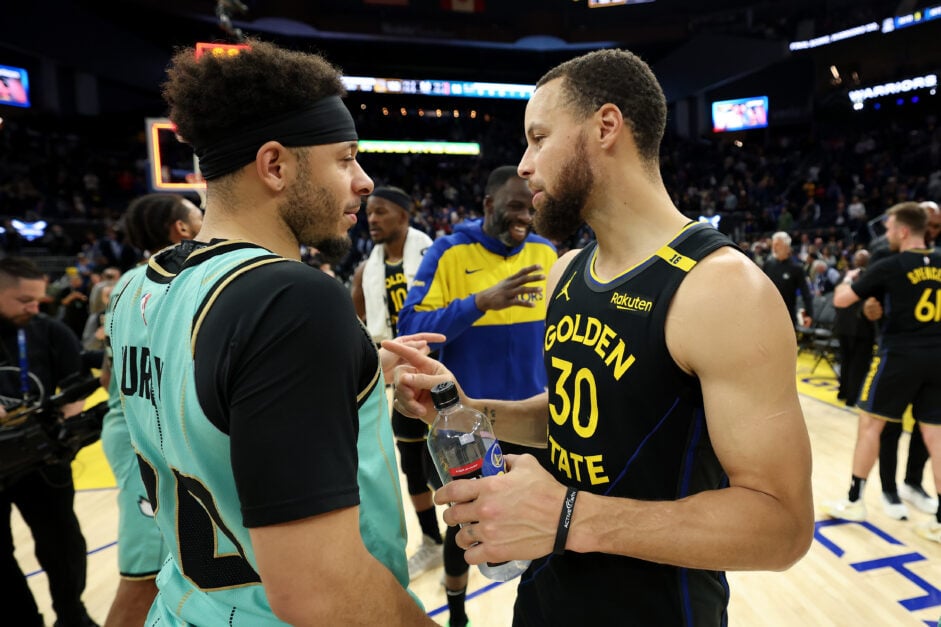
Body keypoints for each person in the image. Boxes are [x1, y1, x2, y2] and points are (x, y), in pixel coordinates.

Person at [387, 49, 813, 625]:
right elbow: (575, 418)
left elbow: (782, 525)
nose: (526, 164)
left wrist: (571, 518)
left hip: (657, 610)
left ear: (606, 126)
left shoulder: (725, 290)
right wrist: (471, 411)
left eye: (539, 138)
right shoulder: (565, 271)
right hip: (546, 591)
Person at [106, 38, 438, 625]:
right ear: (276, 165)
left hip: (184, 608)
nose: (363, 182)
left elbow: (214, 398)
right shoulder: (292, 298)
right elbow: (323, 592)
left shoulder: (138, 288)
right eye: (345, 158)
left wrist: (352, 373)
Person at [397, 165, 557, 627]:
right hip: (466, 426)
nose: (525, 216)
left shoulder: (548, 254)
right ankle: (459, 617)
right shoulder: (449, 252)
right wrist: (480, 302)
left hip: (532, 421)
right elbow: (411, 330)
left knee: (541, 526)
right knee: (467, 527)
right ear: (487, 204)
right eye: (514, 207)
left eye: (532, 208)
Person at [98, 193, 202, 627]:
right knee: (140, 580)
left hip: (146, 429)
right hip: (145, 440)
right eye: (198, 212)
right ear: (181, 228)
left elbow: (109, 373)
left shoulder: (127, 282)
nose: (205, 215)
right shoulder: (162, 284)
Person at [822, 201, 941, 539]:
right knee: (936, 435)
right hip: (938, 357)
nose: (887, 233)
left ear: (903, 230)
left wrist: (851, 279)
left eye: (889, 228)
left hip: (899, 356)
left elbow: (841, 300)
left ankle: (854, 500)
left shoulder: (892, 265)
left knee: (870, 424)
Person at [349, 186, 441, 579]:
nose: (372, 219)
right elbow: (357, 313)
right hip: (400, 379)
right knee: (412, 469)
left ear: (404, 216)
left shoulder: (435, 257)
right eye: (369, 212)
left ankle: (472, 538)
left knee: (455, 465)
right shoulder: (364, 270)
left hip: (441, 373)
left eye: (381, 212)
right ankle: (433, 541)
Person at [0, 257, 96, 627]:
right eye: (23, 300)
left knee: (63, 545)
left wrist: (68, 433)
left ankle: (73, 615)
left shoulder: (52, 332)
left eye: (38, 300)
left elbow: (74, 389)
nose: (34, 308)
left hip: (42, 460)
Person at [863, 199, 940, 518]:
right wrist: (868, 307)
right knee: (890, 425)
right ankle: (889, 489)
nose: (934, 228)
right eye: (931, 223)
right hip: (895, 349)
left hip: (932, 353)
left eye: (937, 224)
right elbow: (867, 295)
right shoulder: (886, 252)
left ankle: (913, 483)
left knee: (930, 428)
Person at [763, 231, 815, 327]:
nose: (774, 248)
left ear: (787, 246)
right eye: (773, 244)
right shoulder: (768, 264)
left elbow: (806, 293)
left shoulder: (796, 268)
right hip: (768, 315)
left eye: (777, 245)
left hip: (788, 316)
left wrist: (809, 315)